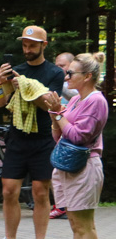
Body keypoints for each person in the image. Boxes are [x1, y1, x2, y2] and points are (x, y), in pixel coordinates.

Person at [0, 25, 63, 239]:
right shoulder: (15, 71)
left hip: (43, 137)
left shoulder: (55, 73)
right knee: (9, 190)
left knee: (40, 192)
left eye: (32, 45)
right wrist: (1, 83)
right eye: (24, 45)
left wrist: (27, 87)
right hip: (18, 136)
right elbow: (0, 103)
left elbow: (50, 106)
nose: (27, 50)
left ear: (43, 45)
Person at [43, 54, 109, 239]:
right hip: (68, 167)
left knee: (85, 225)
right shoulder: (76, 100)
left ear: (88, 76)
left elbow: (80, 136)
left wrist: (58, 114)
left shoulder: (96, 100)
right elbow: (59, 135)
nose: (66, 76)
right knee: (75, 224)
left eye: (71, 73)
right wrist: (55, 114)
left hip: (85, 167)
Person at [50, 52, 76, 219]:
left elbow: (74, 96)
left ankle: (66, 206)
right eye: (56, 65)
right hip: (58, 130)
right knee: (57, 172)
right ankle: (62, 205)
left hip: (72, 135)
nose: (59, 69)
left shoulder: (74, 85)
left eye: (62, 66)